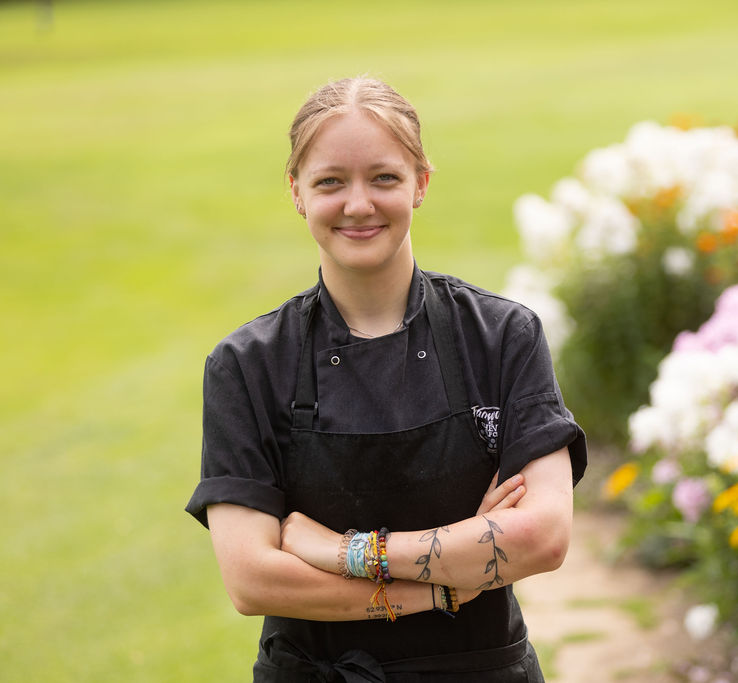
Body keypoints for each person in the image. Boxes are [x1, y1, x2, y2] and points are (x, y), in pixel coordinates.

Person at [185, 76, 587, 682]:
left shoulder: (502, 336)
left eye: (384, 177)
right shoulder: (246, 365)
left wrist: (340, 551)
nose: (358, 204)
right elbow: (252, 579)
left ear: (421, 183)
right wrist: (448, 585)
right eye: (329, 182)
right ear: (296, 192)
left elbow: (542, 538)